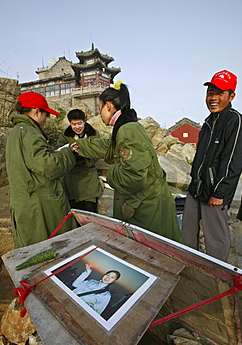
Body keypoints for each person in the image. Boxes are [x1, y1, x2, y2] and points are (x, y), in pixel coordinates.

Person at [71, 81, 181, 242]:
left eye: (100, 108)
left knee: (154, 254)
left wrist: (112, 172)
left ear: (108, 106)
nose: (99, 113)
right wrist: (80, 146)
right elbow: (109, 147)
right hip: (144, 202)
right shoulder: (125, 127)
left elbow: (133, 176)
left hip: (148, 207)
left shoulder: (127, 130)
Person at [182, 70, 242, 261]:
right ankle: (191, 267)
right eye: (210, 93)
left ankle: (217, 275)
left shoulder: (236, 121)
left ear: (231, 96)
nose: (213, 98)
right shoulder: (208, 123)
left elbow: (234, 162)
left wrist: (220, 193)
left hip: (214, 193)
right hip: (197, 187)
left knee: (216, 240)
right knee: (188, 233)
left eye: (220, 93)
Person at [6, 91, 78, 249]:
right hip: (39, 204)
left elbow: (31, 162)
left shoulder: (16, 132)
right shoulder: (31, 132)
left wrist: (51, 153)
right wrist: (67, 153)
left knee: (31, 250)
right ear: (36, 111)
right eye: (46, 115)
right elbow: (48, 166)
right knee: (48, 250)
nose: (46, 120)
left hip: (24, 201)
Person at [55, 109, 103, 212]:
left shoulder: (93, 134)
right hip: (71, 176)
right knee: (75, 212)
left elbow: (98, 151)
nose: (77, 127)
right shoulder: (65, 135)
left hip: (88, 176)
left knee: (90, 211)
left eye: (79, 123)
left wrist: (83, 151)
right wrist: (71, 150)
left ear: (84, 121)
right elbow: (59, 151)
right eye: (74, 124)